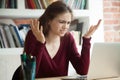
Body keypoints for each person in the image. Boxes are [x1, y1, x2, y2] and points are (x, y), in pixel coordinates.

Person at [24, 1, 101, 78]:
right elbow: (29, 74)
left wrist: (86, 39)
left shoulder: (68, 39)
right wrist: (40, 43)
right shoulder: (34, 35)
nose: (66, 27)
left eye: (68, 23)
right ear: (49, 21)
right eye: (61, 22)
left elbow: (82, 70)